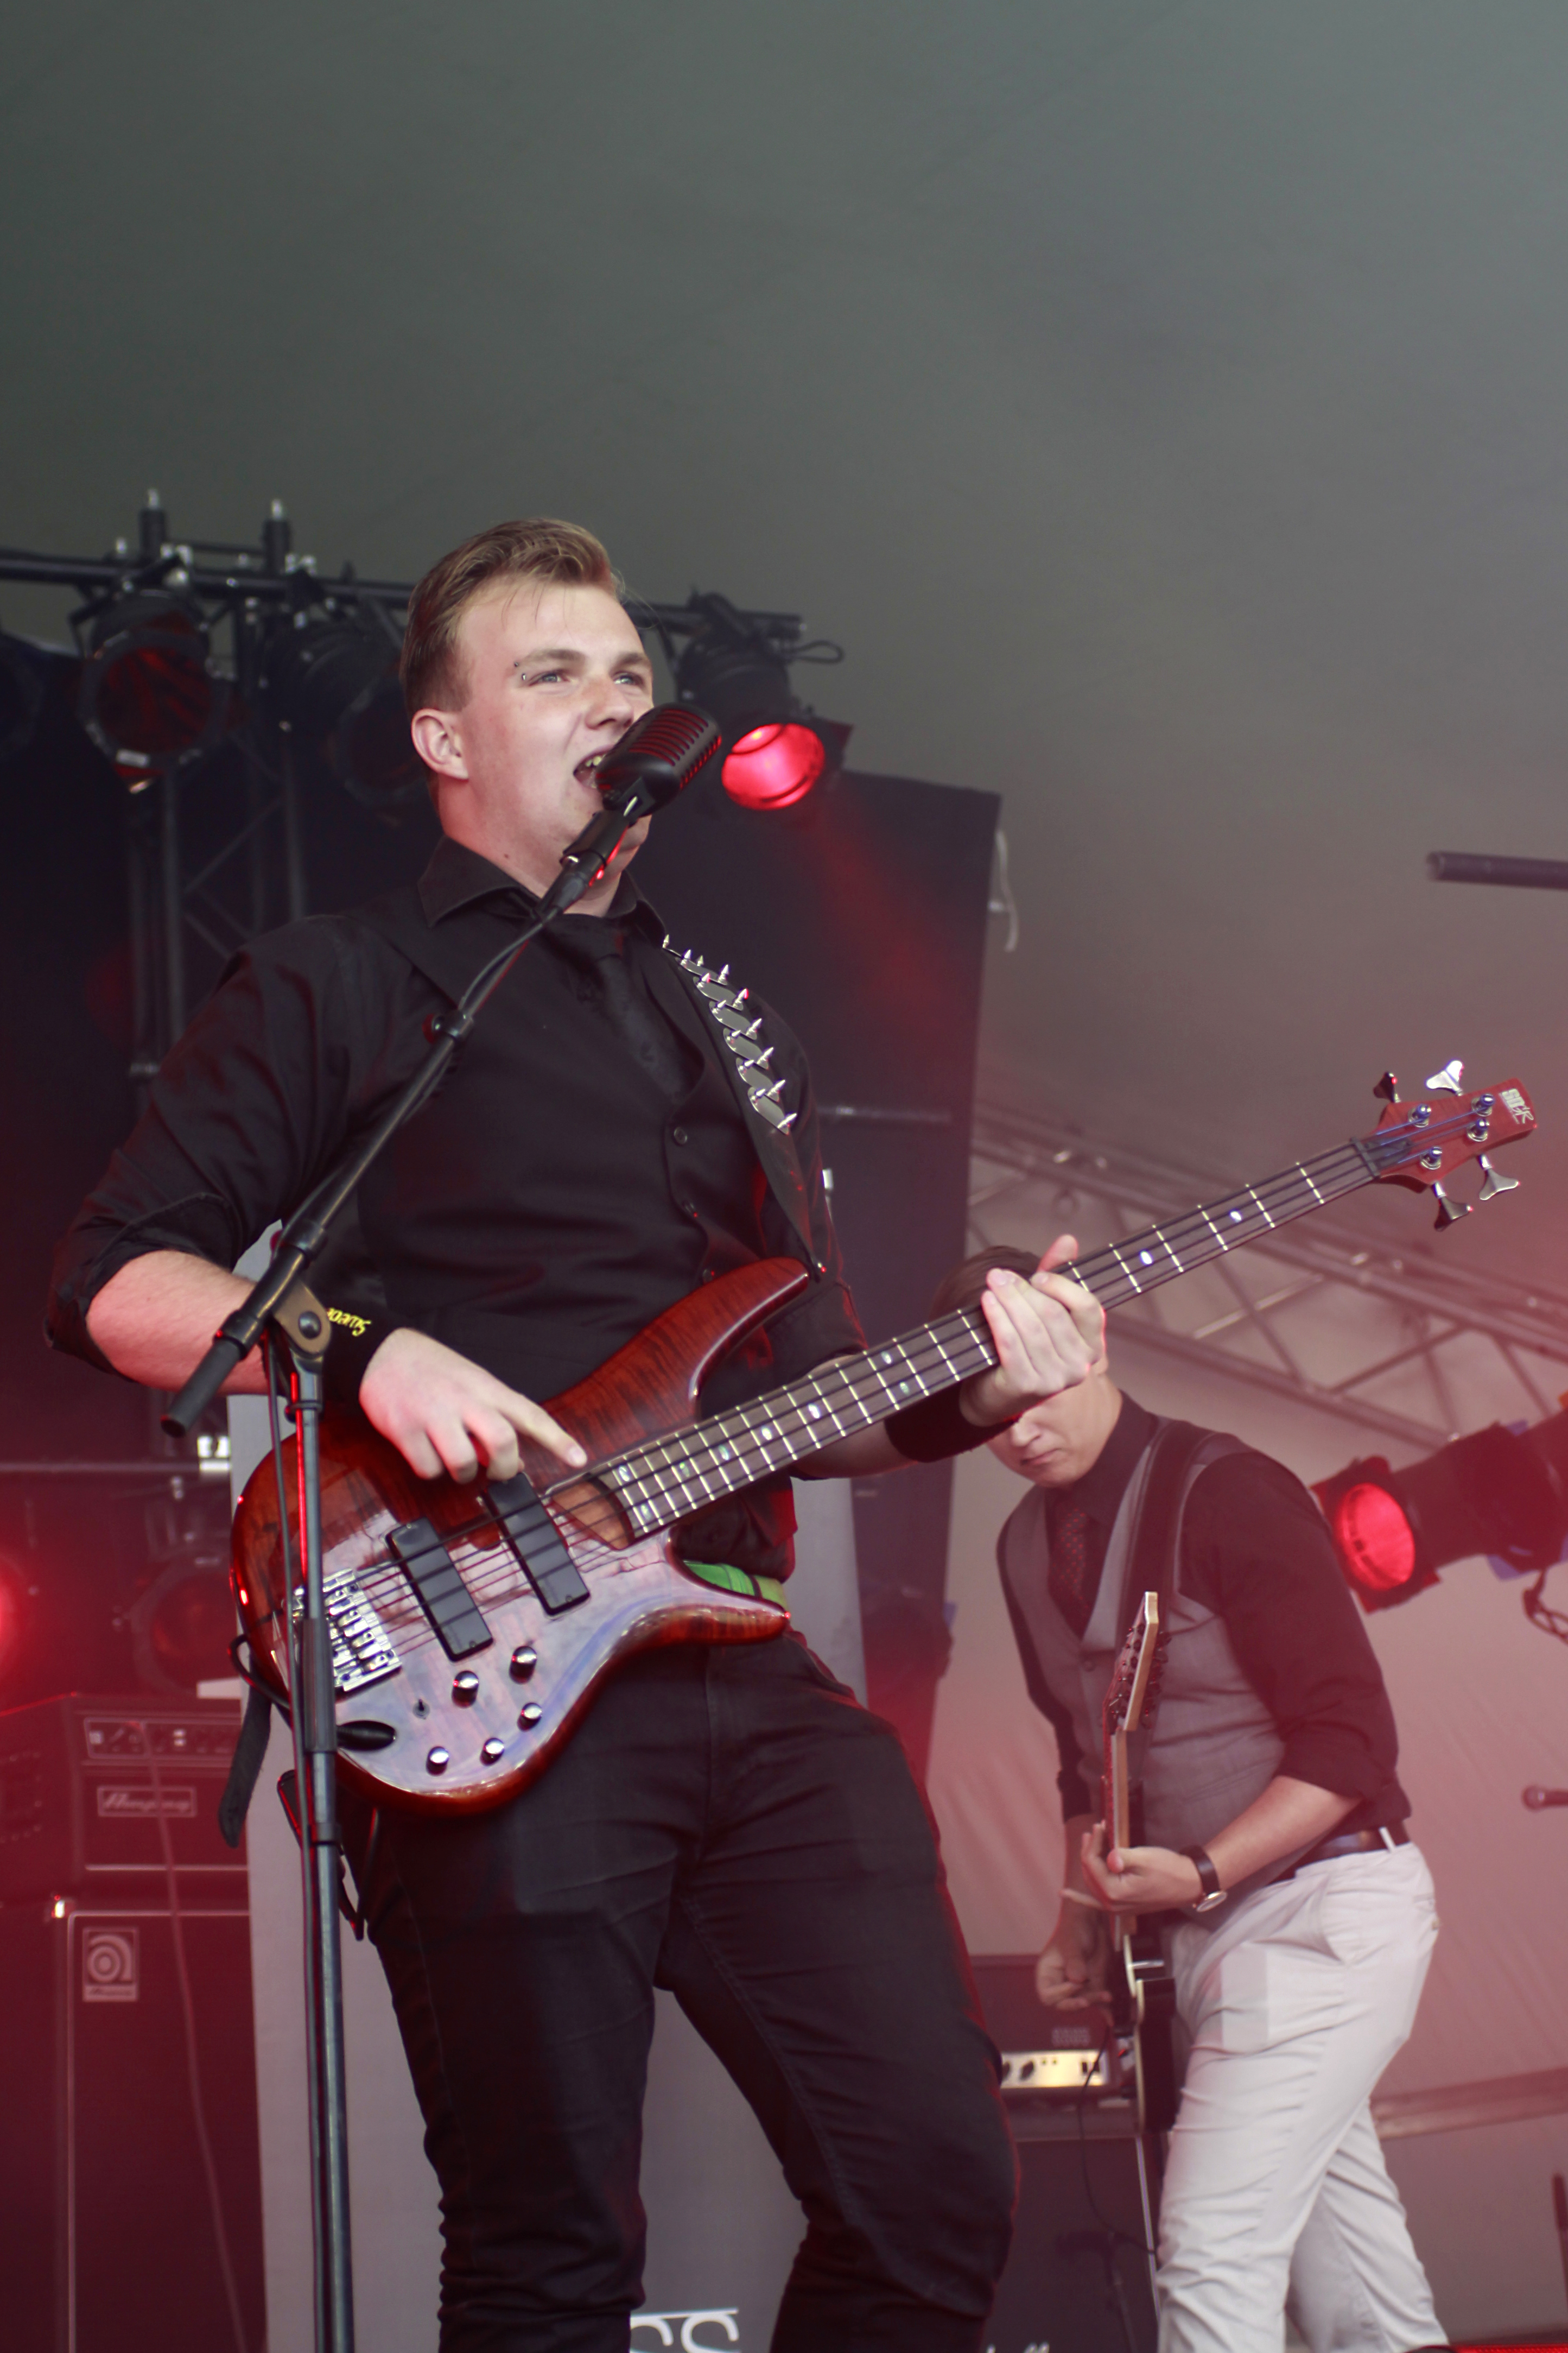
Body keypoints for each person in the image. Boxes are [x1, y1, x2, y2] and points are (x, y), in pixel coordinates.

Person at [46, 518, 1107, 2353]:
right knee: (549, 2259)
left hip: (740, 1652)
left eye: (630, 672)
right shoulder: (340, 976)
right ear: (445, 739)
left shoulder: (729, 1024)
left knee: (936, 2188)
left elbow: (814, 1403)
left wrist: (989, 1382)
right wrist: (356, 1351)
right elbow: (111, 1277)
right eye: (554, 673)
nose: (614, 702)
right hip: (485, 1658)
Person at [972, 1244, 1446, 2353]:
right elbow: (1082, 1755)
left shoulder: (1227, 1487)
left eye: (1034, 1391)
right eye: (986, 1411)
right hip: (1205, 1940)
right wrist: (1080, 1913)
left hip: (1320, 1914)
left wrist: (1198, 1870)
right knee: (1359, 2301)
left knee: (1210, 2249)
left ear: (1090, 1343)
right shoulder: (1019, 1544)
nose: (1017, 1431)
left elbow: (1352, 1743)